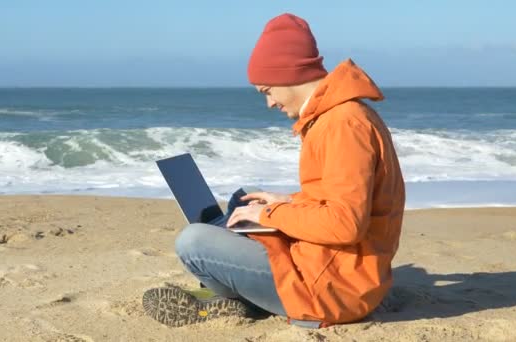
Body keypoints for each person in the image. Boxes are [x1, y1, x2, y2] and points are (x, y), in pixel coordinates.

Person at [143, 13, 405, 328]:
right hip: (334, 269)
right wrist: (287, 201)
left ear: (288, 75)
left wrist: (270, 215)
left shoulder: (342, 124)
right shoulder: (338, 116)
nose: (269, 103)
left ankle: (237, 302)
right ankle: (238, 292)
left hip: (331, 290)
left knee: (193, 242)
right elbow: (339, 199)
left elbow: (345, 225)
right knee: (243, 203)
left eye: (267, 90)